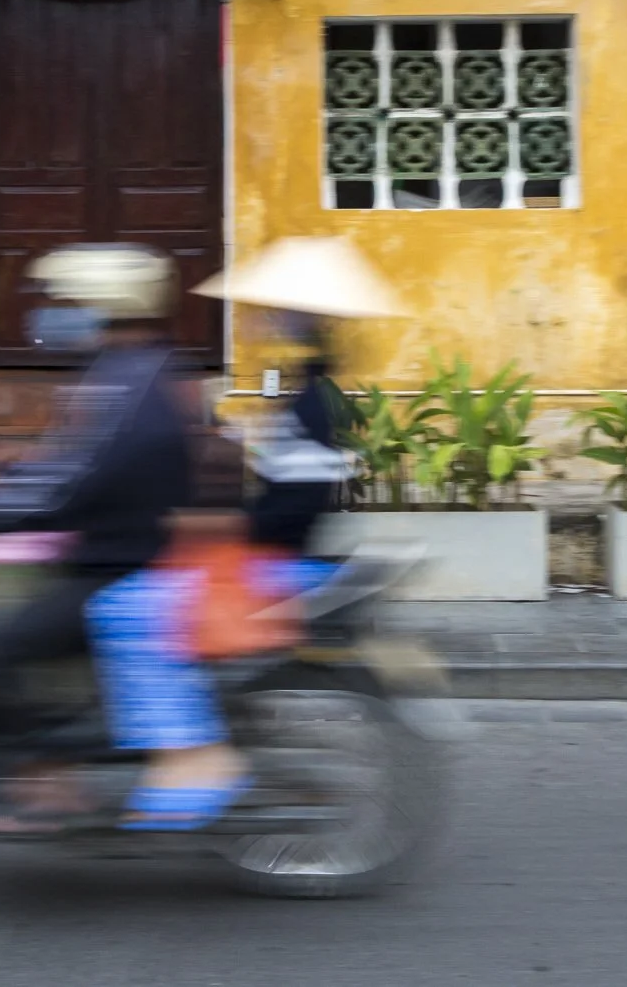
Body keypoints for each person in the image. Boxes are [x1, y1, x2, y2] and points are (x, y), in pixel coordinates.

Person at [84, 237, 405, 831]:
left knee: (123, 609)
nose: (260, 320)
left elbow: (293, 513)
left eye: (272, 311)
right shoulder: (313, 394)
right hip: (275, 556)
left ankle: (194, 760)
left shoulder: (314, 403)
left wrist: (216, 526)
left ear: (298, 321)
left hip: (280, 566)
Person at [0, 243, 195, 830]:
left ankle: (43, 778)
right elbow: (68, 462)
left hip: (117, 567)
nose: (54, 312)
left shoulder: (123, 384)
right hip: (118, 552)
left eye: (65, 301)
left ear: (102, 305)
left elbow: (75, 483)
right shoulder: (136, 370)